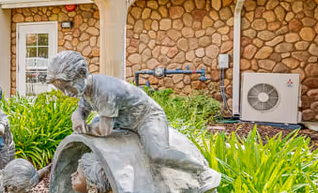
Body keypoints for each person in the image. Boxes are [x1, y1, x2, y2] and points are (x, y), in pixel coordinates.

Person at [46, 51, 202, 173]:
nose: (66, 93)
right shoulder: (86, 90)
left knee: (158, 154)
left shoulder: (104, 90)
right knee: (95, 126)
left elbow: (104, 130)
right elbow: (82, 109)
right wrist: (77, 118)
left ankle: (201, 170)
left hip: (146, 117)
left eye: (68, 87)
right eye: (62, 90)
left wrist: (85, 129)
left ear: (81, 75)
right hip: (122, 121)